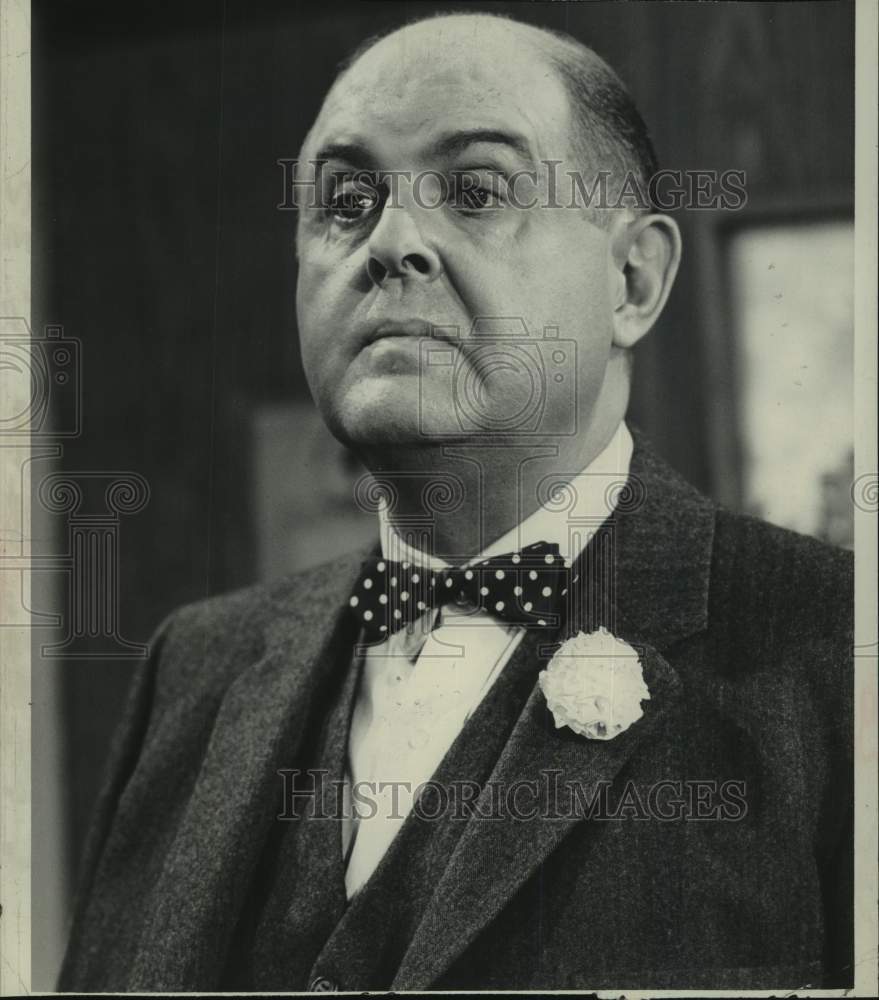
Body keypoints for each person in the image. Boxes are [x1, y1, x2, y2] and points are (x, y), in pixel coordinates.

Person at [59, 12, 853, 992]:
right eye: (345, 201)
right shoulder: (195, 667)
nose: (392, 242)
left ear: (633, 279)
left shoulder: (836, 648)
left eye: (475, 191)